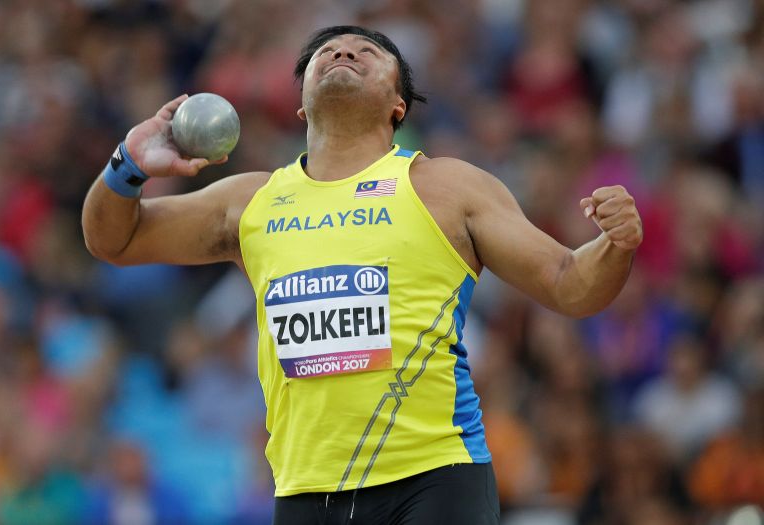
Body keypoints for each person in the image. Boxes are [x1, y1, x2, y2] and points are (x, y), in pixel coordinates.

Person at [82, 25, 642, 525]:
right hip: (305, 486)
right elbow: (115, 239)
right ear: (301, 105)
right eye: (325, 51)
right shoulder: (250, 201)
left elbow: (570, 283)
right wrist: (127, 166)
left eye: (366, 50)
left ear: (398, 103)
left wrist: (615, 244)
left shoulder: (446, 188)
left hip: (434, 477)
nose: (343, 50)